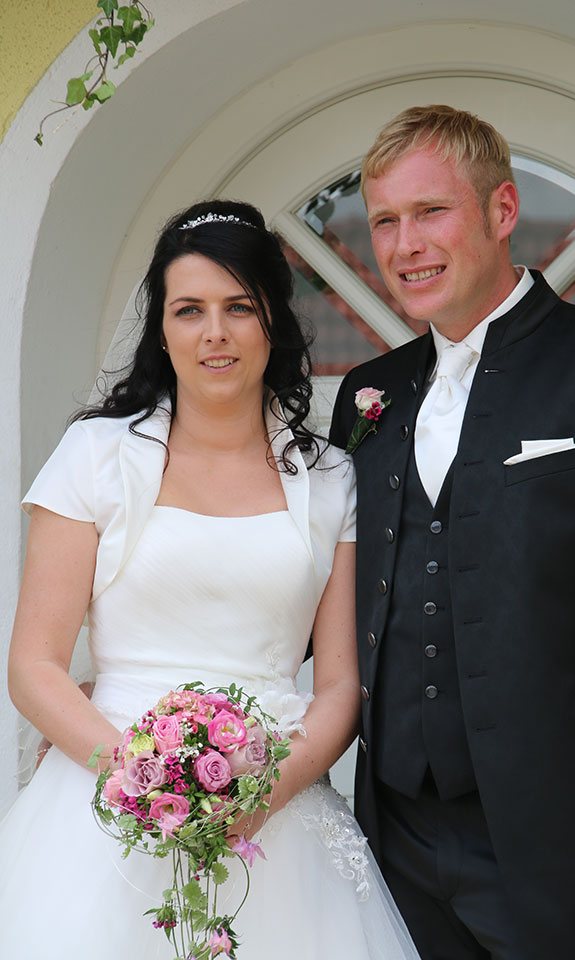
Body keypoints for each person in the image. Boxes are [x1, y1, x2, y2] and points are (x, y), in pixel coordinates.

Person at [0, 200, 420, 960]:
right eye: (189, 310)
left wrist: (263, 795)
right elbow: (33, 667)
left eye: (239, 308)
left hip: (277, 812)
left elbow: (339, 688)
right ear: (162, 331)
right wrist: (142, 779)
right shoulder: (95, 455)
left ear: (273, 321)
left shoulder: (331, 477)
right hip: (105, 803)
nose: (215, 332)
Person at [329, 104, 575, 960]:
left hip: (568, 841)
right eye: (384, 221)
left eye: (430, 212)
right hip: (395, 842)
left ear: (503, 211)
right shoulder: (368, 393)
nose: (405, 246)